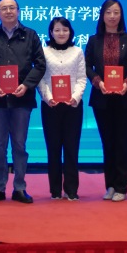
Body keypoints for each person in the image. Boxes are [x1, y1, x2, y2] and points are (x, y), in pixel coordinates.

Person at [0, 0, 46, 204]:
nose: (8, 11)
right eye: (4, 9)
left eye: (12, 8)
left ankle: (20, 187)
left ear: (18, 11)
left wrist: (26, 85)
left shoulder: (30, 35)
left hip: (22, 99)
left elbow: (40, 64)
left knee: (19, 144)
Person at [85, 0, 127, 202]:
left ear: (121, 15)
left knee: (123, 142)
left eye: (116, 12)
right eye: (108, 12)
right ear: (102, 15)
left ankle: (121, 186)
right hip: (102, 98)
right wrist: (98, 81)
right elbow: (87, 66)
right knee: (107, 142)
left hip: (125, 98)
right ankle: (110, 185)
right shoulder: (94, 40)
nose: (112, 16)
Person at [37, 17, 87, 201]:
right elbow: (40, 78)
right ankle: (55, 190)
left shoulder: (77, 52)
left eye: (65, 30)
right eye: (57, 30)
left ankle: (72, 189)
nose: (61, 33)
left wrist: (75, 97)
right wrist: (48, 97)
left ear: (70, 32)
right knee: (53, 149)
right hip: (50, 106)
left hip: (72, 106)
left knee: (72, 148)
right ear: (51, 32)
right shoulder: (43, 52)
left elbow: (82, 78)